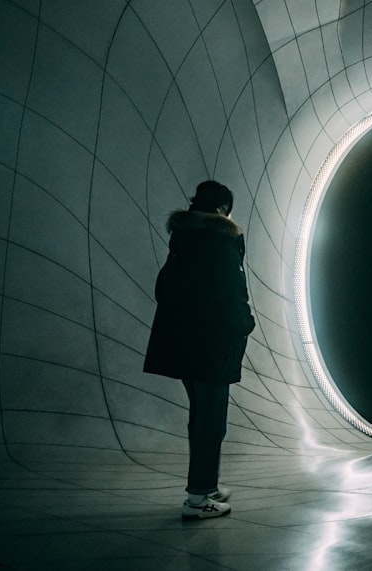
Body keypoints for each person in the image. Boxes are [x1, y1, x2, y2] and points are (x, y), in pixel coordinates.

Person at [144, 180, 256, 520]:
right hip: (212, 344)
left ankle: (206, 486)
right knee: (211, 421)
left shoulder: (183, 240)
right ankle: (198, 499)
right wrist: (245, 324)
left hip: (183, 344)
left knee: (202, 418)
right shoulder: (222, 240)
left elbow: (162, 289)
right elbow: (233, 293)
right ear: (223, 208)